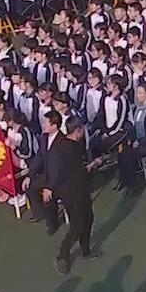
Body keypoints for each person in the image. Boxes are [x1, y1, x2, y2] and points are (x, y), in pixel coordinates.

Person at [39, 117, 95, 273]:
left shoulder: (60, 145)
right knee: (78, 225)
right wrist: (93, 165)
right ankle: (62, 255)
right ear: (78, 131)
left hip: (76, 191)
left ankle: (86, 250)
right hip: (73, 192)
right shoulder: (73, 148)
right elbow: (76, 171)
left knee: (88, 218)